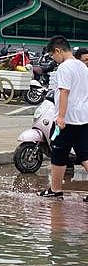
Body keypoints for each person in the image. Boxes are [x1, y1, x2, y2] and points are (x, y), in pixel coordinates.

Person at [38, 36, 88, 202]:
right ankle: (55, 190)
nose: (54, 59)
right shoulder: (82, 66)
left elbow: (64, 92)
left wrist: (60, 116)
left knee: (58, 154)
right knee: (84, 155)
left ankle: (56, 190)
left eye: (53, 55)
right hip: (83, 118)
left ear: (58, 50)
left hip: (68, 119)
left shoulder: (65, 68)